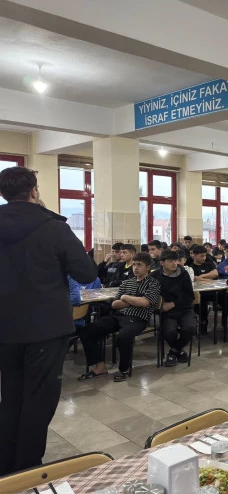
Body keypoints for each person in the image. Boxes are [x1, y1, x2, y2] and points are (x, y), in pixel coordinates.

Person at [0, 166, 98, 476]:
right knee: (39, 399)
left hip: (4, 328)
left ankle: (5, 466)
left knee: (11, 394)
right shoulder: (54, 227)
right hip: (46, 328)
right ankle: (27, 470)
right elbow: (86, 273)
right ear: (33, 191)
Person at [78, 252, 160, 382]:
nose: (135, 268)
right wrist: (134, 301)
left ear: (148, 267)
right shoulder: (127, 283)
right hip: (118, 316)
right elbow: (115, 304)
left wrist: (125, 297)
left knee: (123, 336)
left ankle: (124, 369)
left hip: (138, 319)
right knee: (87, 331)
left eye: (139, 265)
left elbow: (145, 302)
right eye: (134, 265)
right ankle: (100, 367)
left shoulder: (153, 284)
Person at [151, 250, 197, 367]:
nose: (174, 263)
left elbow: (189, 295)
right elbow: (152, 294)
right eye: (170, 261)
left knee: (190, 328)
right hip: (167, 312)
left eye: (176, 260)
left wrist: (173, 303)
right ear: (162, 263)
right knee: (169, 331)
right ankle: (179, 351)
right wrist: (160, 306)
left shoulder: (183, 273)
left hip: (185, 309)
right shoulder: (155, 275)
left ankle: (173, 351)